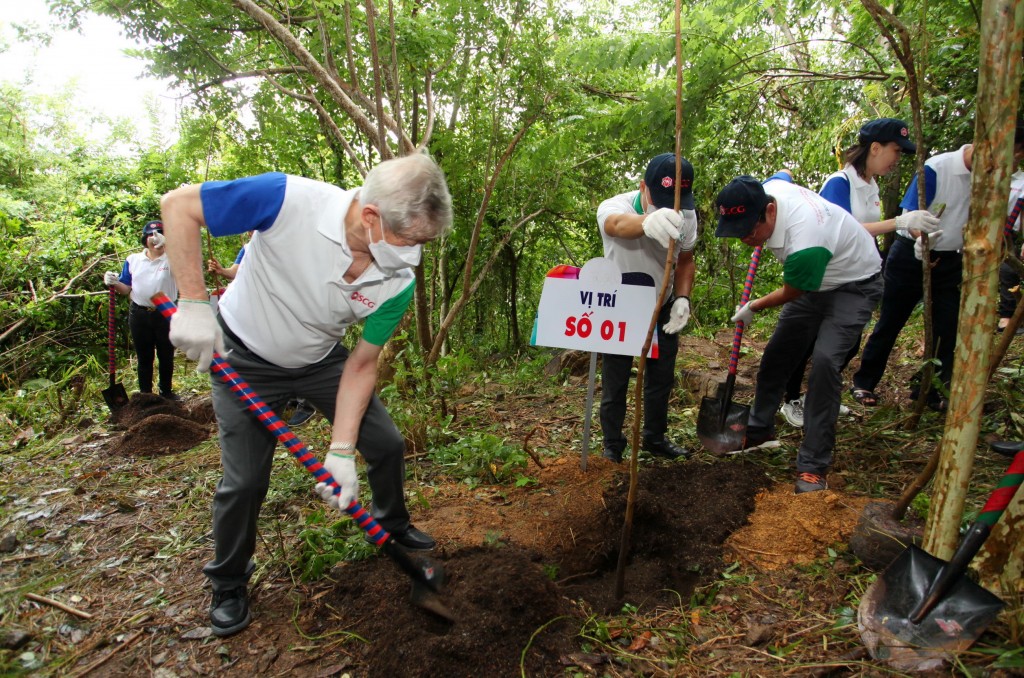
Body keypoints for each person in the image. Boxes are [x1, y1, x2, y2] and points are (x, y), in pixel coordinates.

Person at [159, 152, 453, 637]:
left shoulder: (396, 279)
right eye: (410, 240)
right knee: (245, 482)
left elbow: (361, 363)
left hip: (320, 360)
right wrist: (192, 302)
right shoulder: (285, 199)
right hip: (245, 359)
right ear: (371, 216)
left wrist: (340, 450)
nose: (415, 253)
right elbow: (179, 206)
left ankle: (393, 522)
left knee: (386, 443)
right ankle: (229, 580)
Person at [714, 175, 884, 493]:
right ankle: (760, 428)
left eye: (750, 232)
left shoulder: (806, 239)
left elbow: (794, 291)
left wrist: (754, 305)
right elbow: (781, 177)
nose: (746, 240)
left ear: (770, 211)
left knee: (824, 364)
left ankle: (813, 466)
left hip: (854, 285)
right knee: (778, 354)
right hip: (816, 281)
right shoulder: (770, 190)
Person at [778, 118, 933, 426]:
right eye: (895, 150)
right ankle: (790, 399)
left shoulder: (871, 186)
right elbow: (842, 230)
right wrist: (899, 222)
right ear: (874, 148)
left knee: (848, 343)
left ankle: (816, 397)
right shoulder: (840, 183)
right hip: (829, 275)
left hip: (855, 278)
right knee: (809, 340)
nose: (897, 158)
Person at [596, 153, 698, 463]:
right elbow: (615, 225)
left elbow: (686, 260)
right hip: (621, 305)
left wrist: (682, 298)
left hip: (661, 302)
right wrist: (647, 221)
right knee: (615, 379)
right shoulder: (617, 207)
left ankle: (654, 437)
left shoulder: (688, 215)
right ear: (644, 187)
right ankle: (613, 443)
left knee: (661, 375)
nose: (671, 208)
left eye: (676, 200)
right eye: (661, 200)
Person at [209, 243, 318, 427]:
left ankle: (306, 403)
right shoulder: (248, 247)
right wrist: (222, 271)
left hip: (289, 307)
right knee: (272, 353)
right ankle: (287, 396)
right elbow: (237, 271)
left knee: (295, 350)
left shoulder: (286, 242)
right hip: (263, 311)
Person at [103, 220, 179, 400]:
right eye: (150, 236)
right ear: (144, 239)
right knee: (144, 356)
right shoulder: (133, 260)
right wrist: (113, 283)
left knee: (166, 355)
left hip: (166, 312)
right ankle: (146, 395)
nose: (154, 239)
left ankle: (166, 392)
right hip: (139, 312)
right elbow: (126, 288)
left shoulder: (174, 258)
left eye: (159, 234)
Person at [997, 165, 1024, 335]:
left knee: (1008, 269)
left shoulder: (1022, 181)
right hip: (980, 231)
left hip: (1008, 233)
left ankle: (1006, 315)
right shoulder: (986, 173)